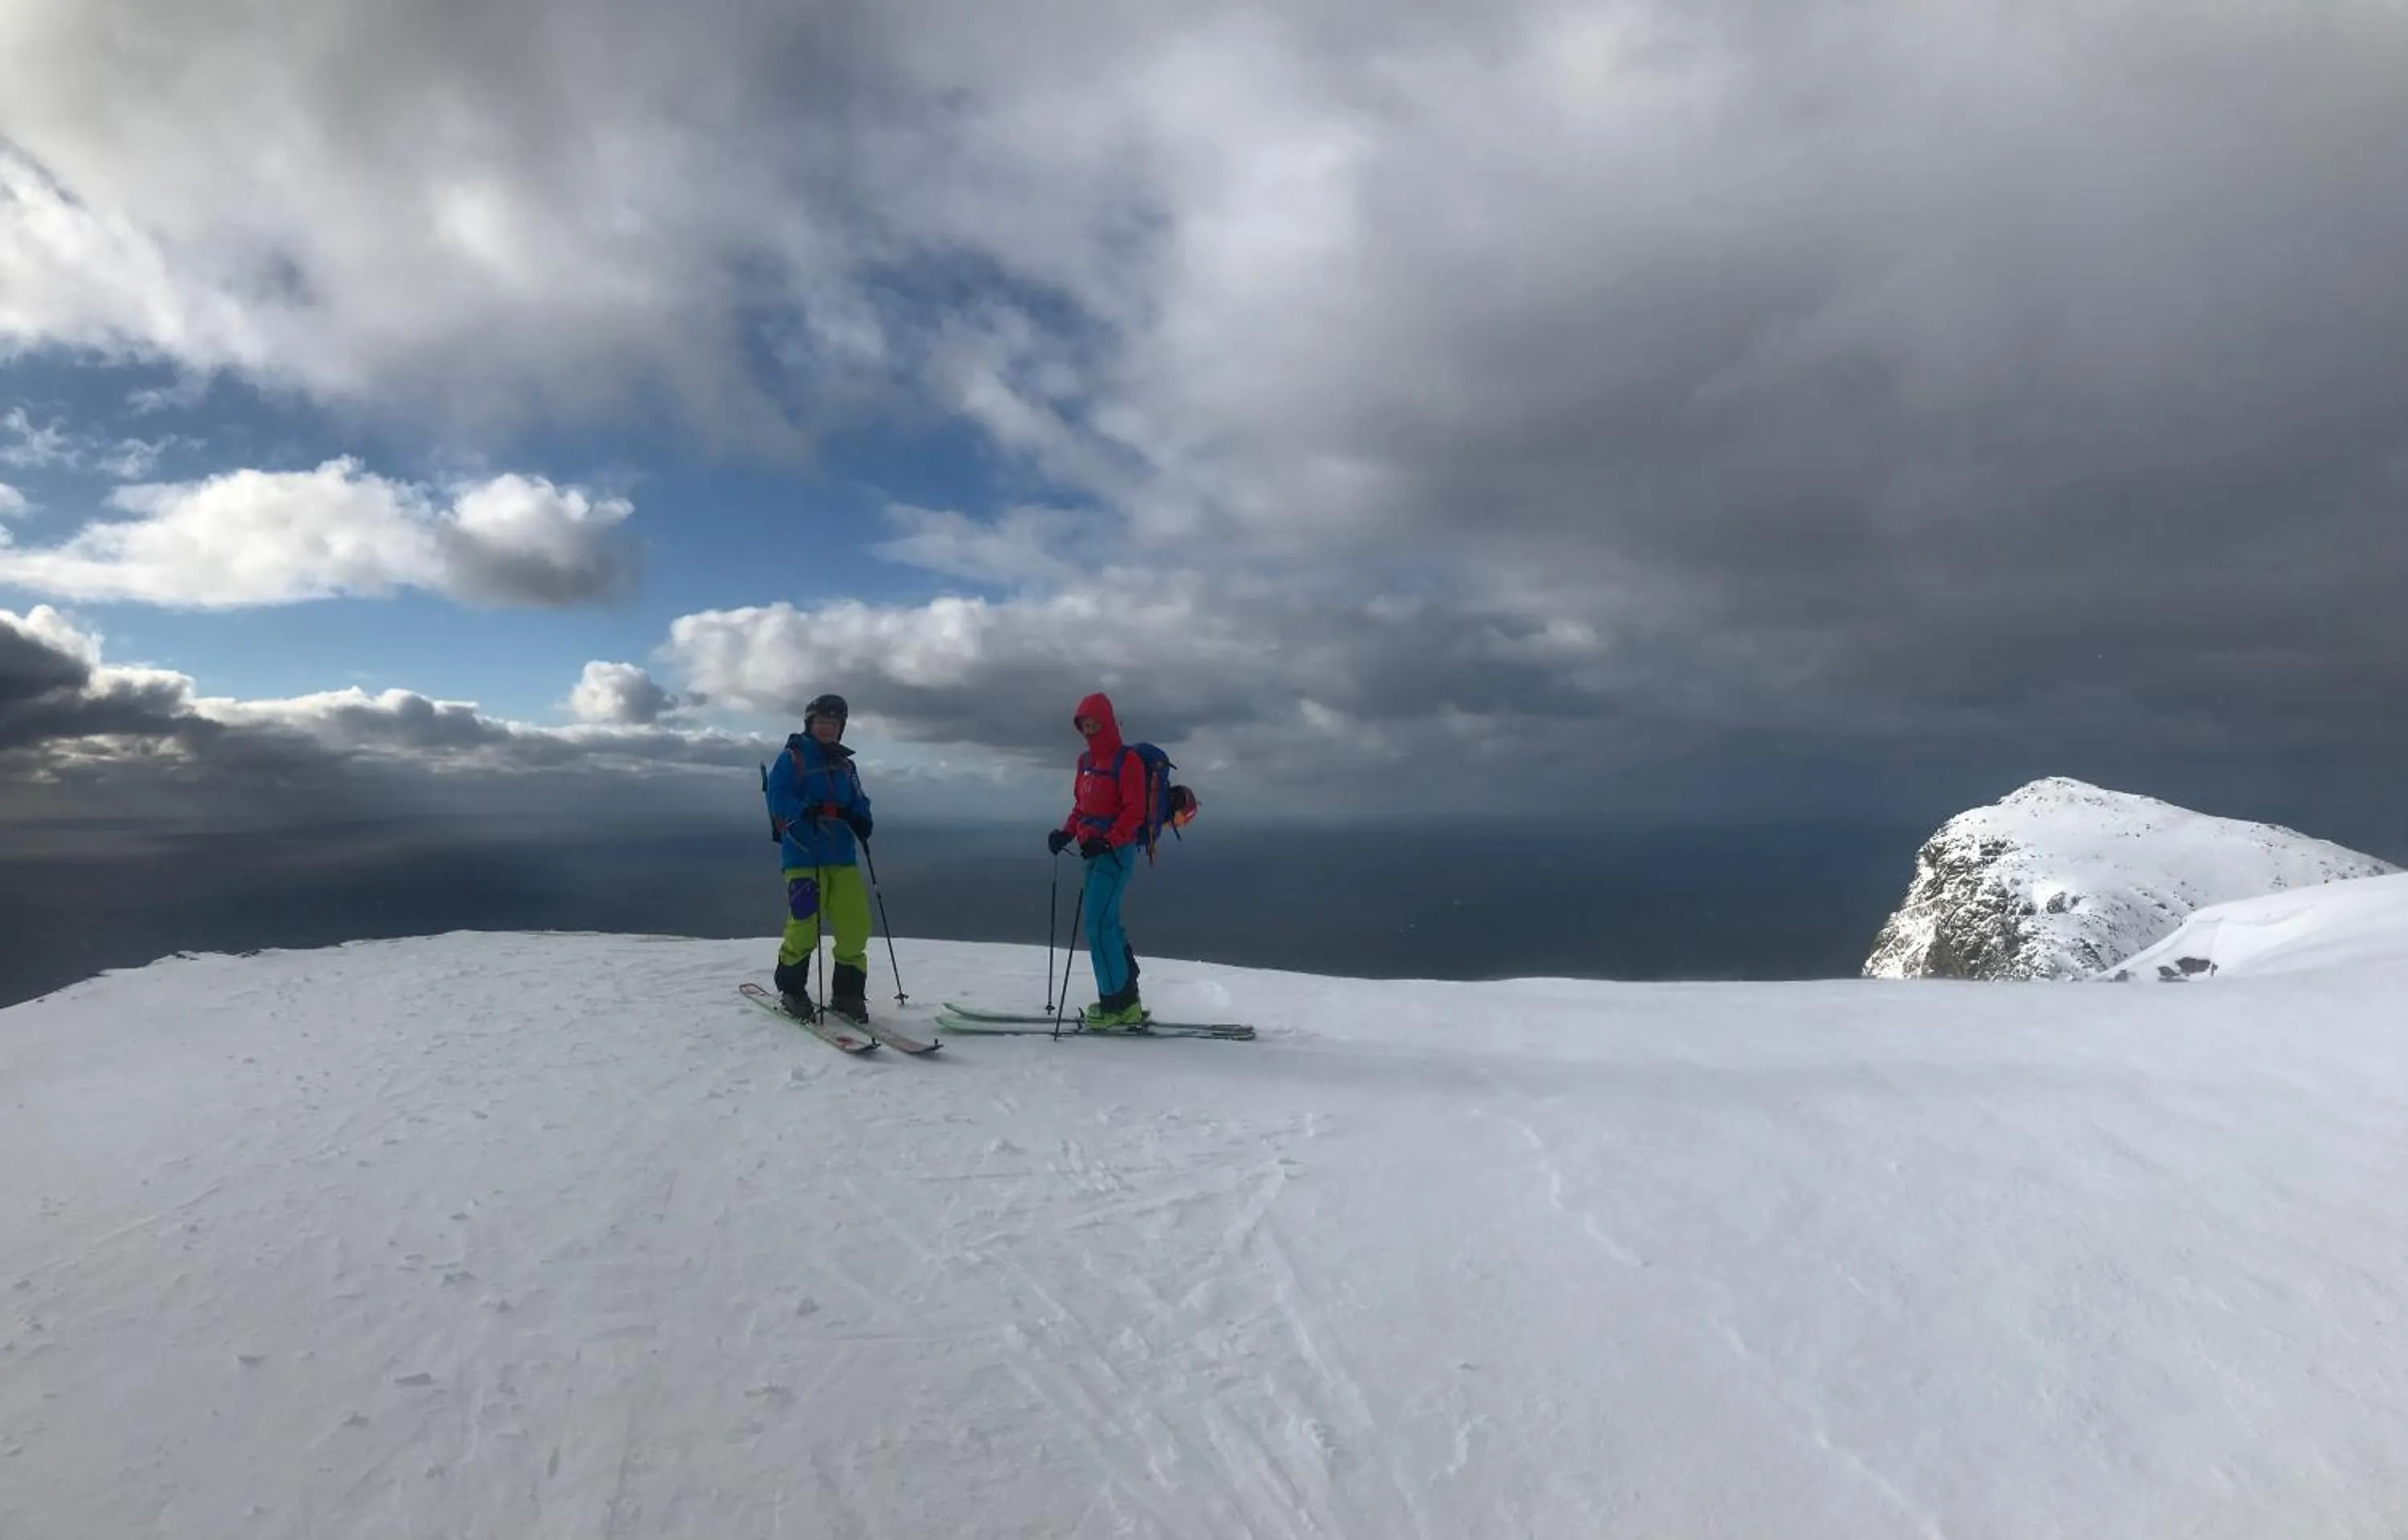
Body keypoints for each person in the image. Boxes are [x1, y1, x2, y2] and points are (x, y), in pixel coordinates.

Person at [765, 692, 876, 1023]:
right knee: (805, 925)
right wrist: (804, 811)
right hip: (802, 854)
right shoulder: (793, 758)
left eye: (833, 723)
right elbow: (777, 796)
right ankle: (791, 989)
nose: (827, 728)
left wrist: (862, 818)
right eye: (821, 722)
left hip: (841, 855)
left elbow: (859, 799)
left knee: (855, 926)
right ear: (810, 724)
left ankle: (848, 994)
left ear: (841, 728)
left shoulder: (846, 765)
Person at [1047, 691, 1149, 1029]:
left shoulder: (1127, 761)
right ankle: (1126, 996)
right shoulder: (1085, 762)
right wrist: (1066, 833)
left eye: (1095, 724)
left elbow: (1135, 811)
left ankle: (1116, 1005)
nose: (1090, 731)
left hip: (1114, 855)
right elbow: (1082, 807)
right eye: (1084, 726)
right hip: (1092, 851)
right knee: (1107, 923)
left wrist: (1109, 841)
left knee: (1097, 923)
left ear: (1107, 723)